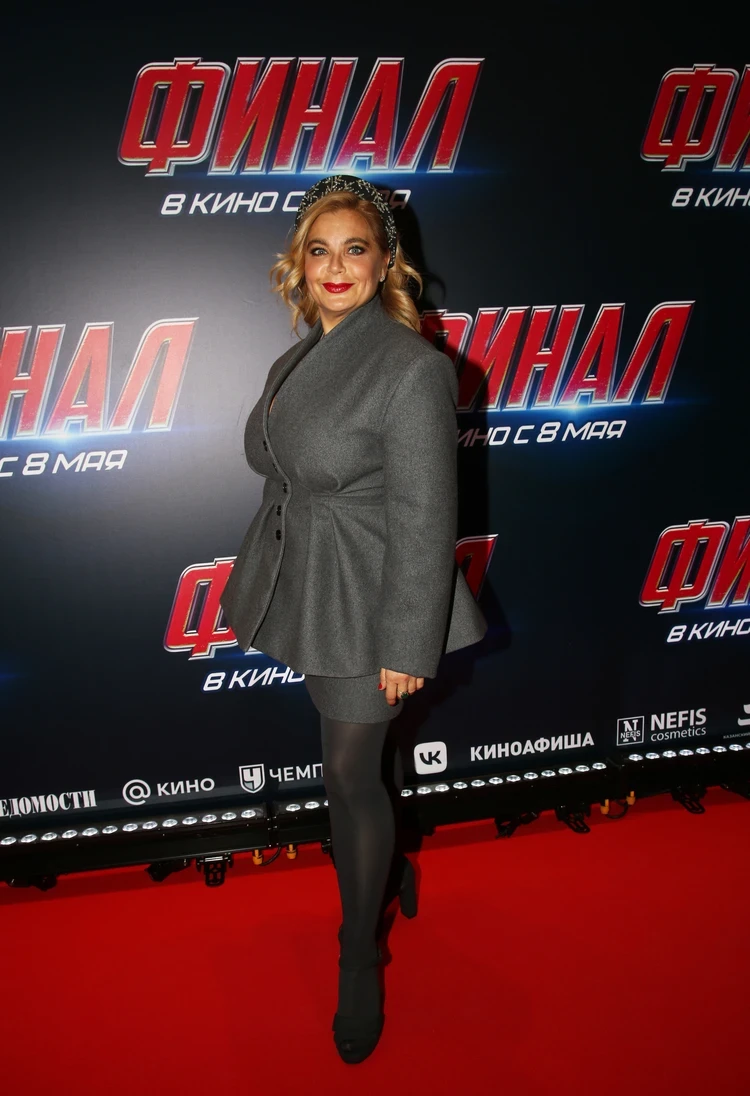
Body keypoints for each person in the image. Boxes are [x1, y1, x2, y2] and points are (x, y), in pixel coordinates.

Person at [219, 174, 488, 1062]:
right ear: (300, 265)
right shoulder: (298, 358)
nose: (336, 267)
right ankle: (393, 867)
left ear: (384, 265)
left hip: (373, 598)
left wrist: (407, 640)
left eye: (355, 250)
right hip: (313, 584)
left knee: (346, 775)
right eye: (320, 250)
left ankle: (359, 956)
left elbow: (426, 517)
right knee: (358, 763)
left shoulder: (411, 368)